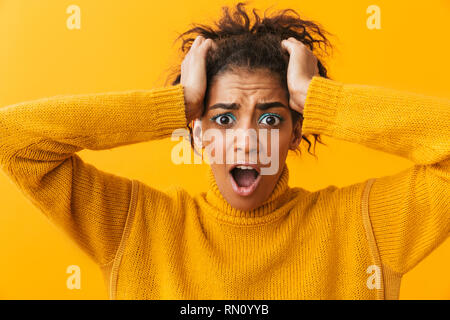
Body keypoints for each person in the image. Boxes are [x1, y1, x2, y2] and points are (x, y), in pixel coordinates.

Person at [0, 3, 448, 299]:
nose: (246, 139)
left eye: (272, 118)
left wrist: (319, 98)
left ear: (296, 133)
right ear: (196, 135)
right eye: (223, 118)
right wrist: (176, 106)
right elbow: (13, 138)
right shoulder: (133, 225)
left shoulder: (365, 225)